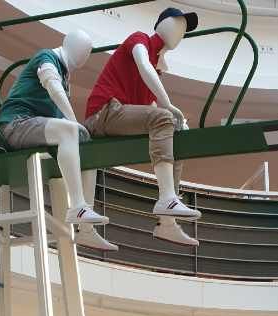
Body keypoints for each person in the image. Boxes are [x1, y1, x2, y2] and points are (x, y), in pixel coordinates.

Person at [83, 8, 201, 248]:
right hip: (103, 112)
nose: (181, 32)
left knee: (175, 133)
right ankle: (167, 198)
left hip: (118, 116)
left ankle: (167, 223)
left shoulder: (154, 70)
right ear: (162, 24)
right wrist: (167, 105)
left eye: (184, 30)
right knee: (163, 118)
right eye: (178, 24)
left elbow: (151, 107)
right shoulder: (140, 40)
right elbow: (143, 65)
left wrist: (177, 121)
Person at [0, 30, 110, 248]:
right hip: (16, 123)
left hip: (34, 125)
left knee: (88, 148)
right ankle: (77, 206)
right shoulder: (46, 57)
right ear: (71, 45)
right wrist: (73, 122)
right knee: (70, 131)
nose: (85, 55)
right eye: (83, 49)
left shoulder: (65, 76)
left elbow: (58, 97)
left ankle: (86, 229)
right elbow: (52, 85)